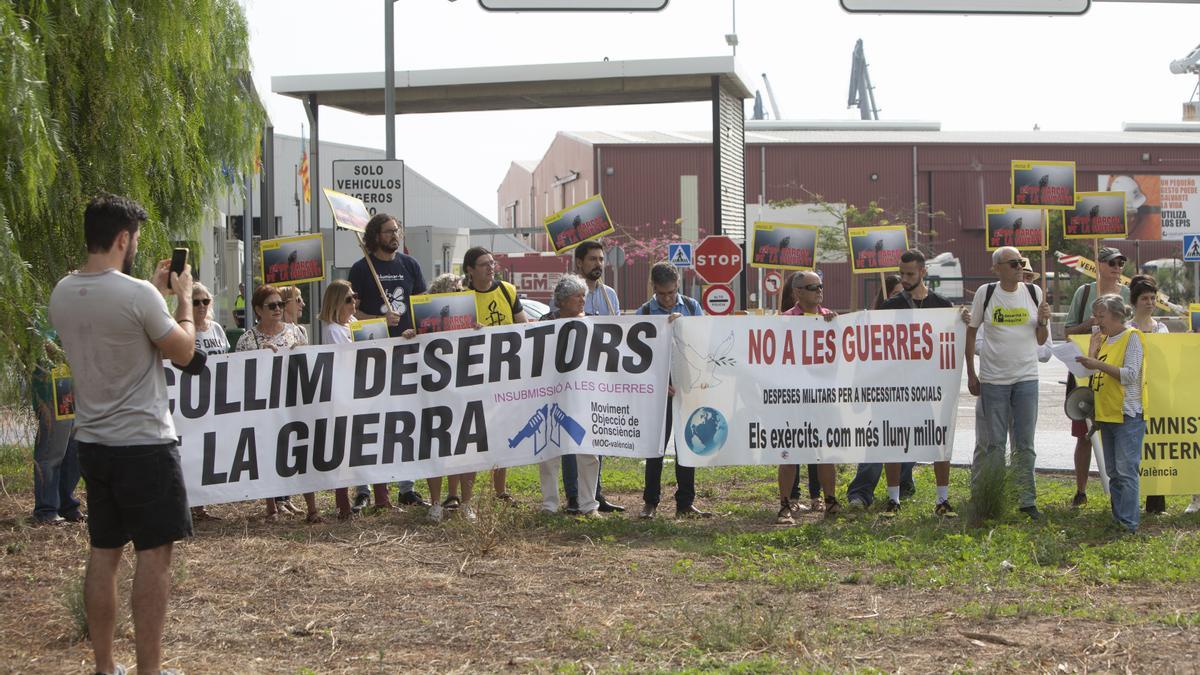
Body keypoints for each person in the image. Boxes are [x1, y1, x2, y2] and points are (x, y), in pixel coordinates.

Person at [49, 194, 196, 675]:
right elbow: (184, 352)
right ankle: (149, 671)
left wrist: (148, 291)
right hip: (145, 443)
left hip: (94, 442)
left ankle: (104, 666)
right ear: (121, 238)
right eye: (132, 238)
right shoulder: (138, 296)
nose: (134, 245)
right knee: (154, 556)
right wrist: (183, 300)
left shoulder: (62, 292)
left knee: (104, 551)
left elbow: (116, 335)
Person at [850, 250, 962, 518]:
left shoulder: (942, 305)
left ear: (923, 272)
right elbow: (875, 344)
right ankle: (893, 499)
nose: (905, 278)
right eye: (902, 273)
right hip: (897, 386)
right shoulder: (890, 306)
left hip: (930, 386)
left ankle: (942, 500)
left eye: (910, 273)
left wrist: (963, 322)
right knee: (893, 439)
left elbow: (951, 340)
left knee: (938, 440)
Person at [348, 212, 428, 507]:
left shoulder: (410, 265)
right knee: (369, 420)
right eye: (388, 231)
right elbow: (351, 313)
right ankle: (364, 489)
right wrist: (380, 318)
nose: (394, 235)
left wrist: (416, 329)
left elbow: (423, 306)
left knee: (406, 419)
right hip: (372, 353)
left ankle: (407, 487)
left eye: (397, 230)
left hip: (406, 352)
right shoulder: (360, 268)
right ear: (374, 236)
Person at [966, 246, 1051, 521]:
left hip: (1026, 377)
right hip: (994, 380)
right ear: (997, 268)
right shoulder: (986, 293)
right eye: (1012, 263)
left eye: (1020, 263)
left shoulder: (1033, 293)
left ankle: (1026, 500)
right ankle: (991, 498)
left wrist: (1044, 322)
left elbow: (1040, 339)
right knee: (994, 444)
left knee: (1025, 443)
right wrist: (971, 373)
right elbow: (971, 333)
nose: (1018, 267)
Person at [236, 284, 323, 523]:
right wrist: (259, 356)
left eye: (280, 305)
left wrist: (301, 351)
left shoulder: (296, 331)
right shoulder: (247, 339)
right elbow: (239, 376)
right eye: (271, 305)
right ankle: (271, 508)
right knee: (267, 453)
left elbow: (311, 361)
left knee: (302, 451)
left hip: (295, 400)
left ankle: (313, 509)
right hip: (265, 405)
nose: (277, 309)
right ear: (257, 310)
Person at [552, 240, 625, 514]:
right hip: (572, 378)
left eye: (601, 259)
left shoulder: (610, 295)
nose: (598, 264)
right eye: (592, 259)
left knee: (598, 433)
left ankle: (594, 493)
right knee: (573, 436)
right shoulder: (567, 292)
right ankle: (573, 496)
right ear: (579, 262)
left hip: (598, 376)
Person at [636, 262, 713, 520]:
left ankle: (685, 502)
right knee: (655, 446)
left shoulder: (691, 307)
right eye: (662, 294)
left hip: (687, 385)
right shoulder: (645, 312)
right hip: (658, 388)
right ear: (653, 288)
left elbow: (703, 343)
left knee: (687, 443)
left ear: (678, 284)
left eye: (671, 293)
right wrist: (657, 383)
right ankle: (650, 502)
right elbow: (637, 358)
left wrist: (685, 327)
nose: (667, 299)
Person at [458, 246, 527, 517]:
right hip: (475, 376)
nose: (490, 267)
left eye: (492, 262)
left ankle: (500, 491)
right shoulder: (463, 298)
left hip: (504, 374)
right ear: (470, 270)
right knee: (474, 438)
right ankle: (467, 499)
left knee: (501, 434)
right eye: (484, 264)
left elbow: (523, 324)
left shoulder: (507, 291)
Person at [1063, 247, 1130, 508]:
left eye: (1121, 262)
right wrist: (1090, 324)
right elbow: (1068, 332)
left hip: (1115, 373)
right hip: (1085, 373)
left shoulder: (1127, 294)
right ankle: (1080, 491)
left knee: (1121, 432)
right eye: (1112, 261)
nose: (1117, 266)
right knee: (1084, 435)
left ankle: (1122, 491)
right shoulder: (1084, 294)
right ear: (1099, 264)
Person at [1075, 294, 1146, 534]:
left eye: (1100, 315)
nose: (1096, 320)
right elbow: (1093, 377)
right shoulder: (1104, 340)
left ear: (1116, 315)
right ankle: (1119, 518)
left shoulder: (1131, 337)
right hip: (1107, 414)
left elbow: (1130, 374)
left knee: (1126, 471)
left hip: (1127, 414)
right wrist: (1093, 352)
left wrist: (1097, 364)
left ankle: (1129, 524)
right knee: (1114, 473)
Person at [406, 272, 472, 522]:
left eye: (460, 291)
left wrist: (479, 332)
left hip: (463, 391)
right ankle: (435, 503)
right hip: (434, 393)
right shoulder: (425, 320)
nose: (459, 295)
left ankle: (466, 503)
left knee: (466, 447)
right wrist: (412, 336)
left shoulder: (467, 318)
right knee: (435, 446)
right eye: (454, 290)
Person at [536, 274, 604, 516]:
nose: (582, 300)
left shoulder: (595, 323)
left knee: (588, 453)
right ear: (563, 300)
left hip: (584, 399)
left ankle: (589, 505)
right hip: (551, 397)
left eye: (584, 296)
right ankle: (549, 504)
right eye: (577, 296)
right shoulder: (544, 323)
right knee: (549, 453)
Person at [778, 270, 840, 523]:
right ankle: (784, 505)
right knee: (789, 452)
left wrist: (836, 326)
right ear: (797, 292)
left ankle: (831, 501)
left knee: (825, 452)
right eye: (813, 287)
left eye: (820, 286)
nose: (819, 290)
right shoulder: (784, 321)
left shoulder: (830, 319)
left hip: (823, 398)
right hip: (793, 399)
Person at [318, 279, 380, 521]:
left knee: (370, 444)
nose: (353, 302)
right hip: (343, 396)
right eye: (348, 299)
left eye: (354, 296)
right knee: (344, 451)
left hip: (362, 392)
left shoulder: (351, 323)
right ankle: (343, 504)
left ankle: (381, 496)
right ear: (336, 303)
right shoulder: (332, 330)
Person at [1126, 275, 1173, 514]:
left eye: (1153, 298)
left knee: (1157, 447)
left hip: (1158, 395)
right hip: (1132, 398)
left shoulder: (1162, 328)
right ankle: (1129, 503)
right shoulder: (1125, 331)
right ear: (1134, 301)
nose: (1150, 302)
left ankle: (1156, 502)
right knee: (1134, 450)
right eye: (1145, 298)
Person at [30, 321, 83, 525]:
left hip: (79, 386)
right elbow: (45, 346)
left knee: (74, 450)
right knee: (53, 451)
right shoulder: (43, 313)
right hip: (57, 386)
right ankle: (46, 509)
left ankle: (66, 505)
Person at [190, 282, 227, 522]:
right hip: (192, 401)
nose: (202, 306)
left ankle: (202, 503)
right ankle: (193, 504)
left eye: (206, 301)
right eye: (196, 302)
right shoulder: (183, 329)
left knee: (210, 451)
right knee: (193, 450)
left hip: (216, 399)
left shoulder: (216, 329)